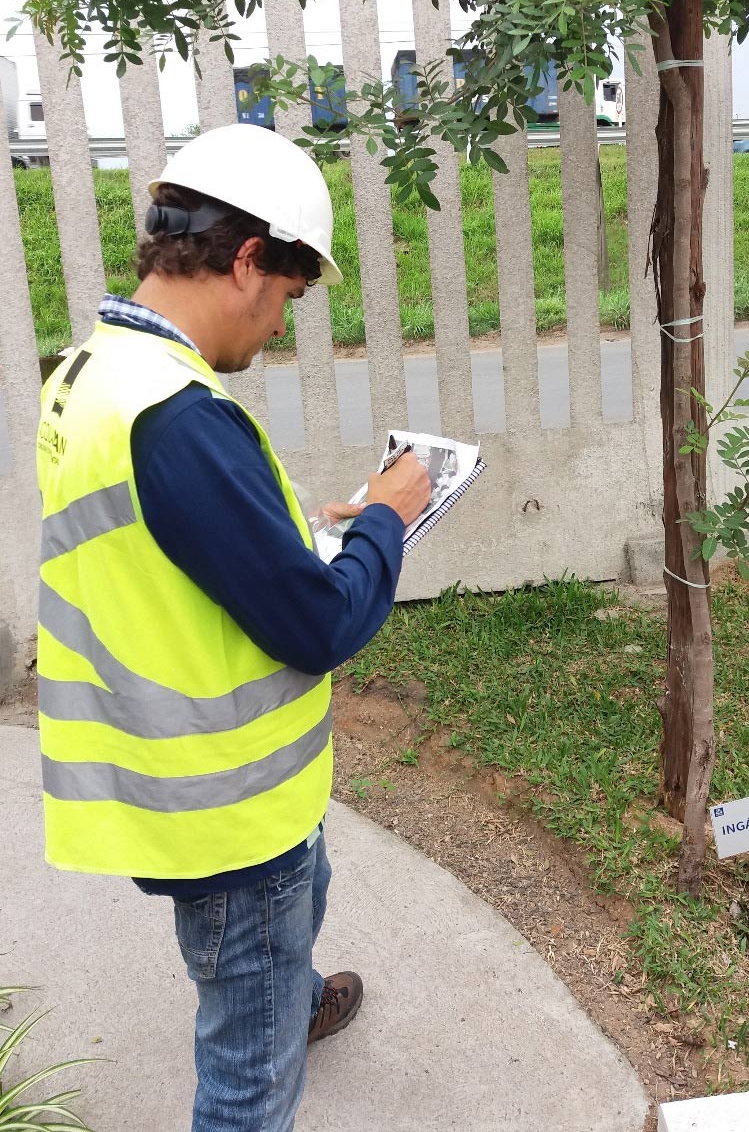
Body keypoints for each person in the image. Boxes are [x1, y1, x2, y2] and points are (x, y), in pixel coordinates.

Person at [35, 123, 431, 1132]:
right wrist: (388, 517)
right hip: (226, 813)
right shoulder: (181, 417)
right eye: (291, 300)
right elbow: (320, 622)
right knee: (246, 1082)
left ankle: (288, 1000)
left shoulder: (90, 373)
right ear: (249, 259)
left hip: (174, 775)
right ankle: (273, 1012)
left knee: (302, 903)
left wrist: (300, 527)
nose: (280, 328)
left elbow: (165, 549)